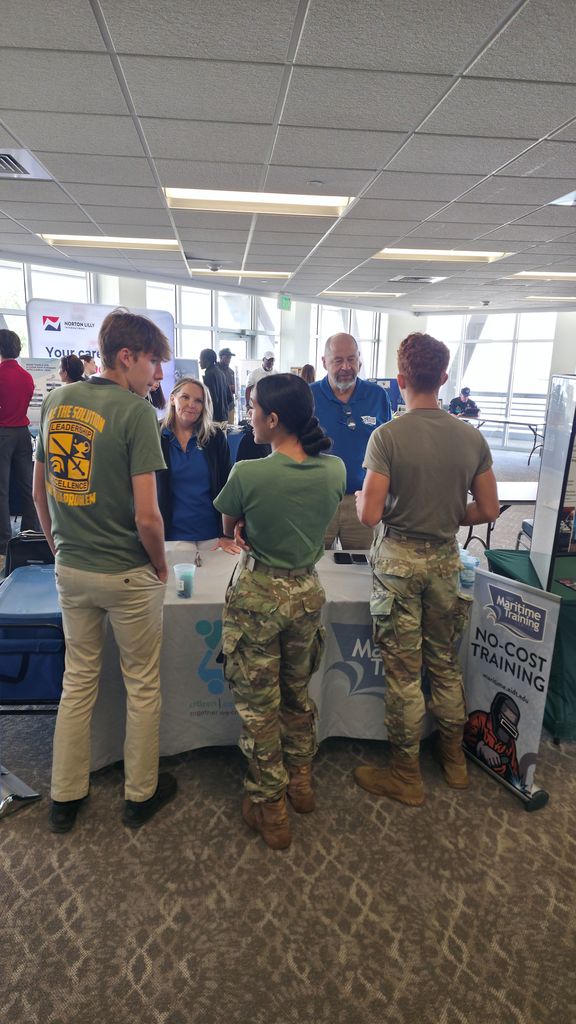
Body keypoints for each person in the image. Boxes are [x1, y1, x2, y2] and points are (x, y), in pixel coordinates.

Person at [33, 309, 177, 833]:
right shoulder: (136, 413)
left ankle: (65, 796)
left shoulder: (55, 400)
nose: (158, 374)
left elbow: (38, 493)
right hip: (127, 573)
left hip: (72, 569)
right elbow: (147, 515)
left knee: (78, 682)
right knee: (141, 685)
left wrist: (60, 550)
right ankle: (140, 795)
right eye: (153, 362)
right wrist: (160, 565)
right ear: (126, 358)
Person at [353, 332, 499, 806]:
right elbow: (490, 508)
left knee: (403, 674)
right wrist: (449, 513)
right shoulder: (470, 436)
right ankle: (455, 764)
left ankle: (406, 775)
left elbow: (370, 515)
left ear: (400, 380)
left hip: (397, 566)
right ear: (443, 378)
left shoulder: (387, 437)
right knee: (443, 665)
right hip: (444, 562)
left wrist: (362, 500)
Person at [214, 373, 346, 850]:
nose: (249, 416)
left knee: (259, 709)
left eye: (253, 408)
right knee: (297, 697)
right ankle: (302, 784)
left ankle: (272, 808)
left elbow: (230, 528)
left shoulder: (249, 473)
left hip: (259, 599)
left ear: (273, 419)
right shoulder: (334, 470)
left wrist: (248, 523)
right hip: (307, 594)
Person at [310, 333, 391, 549]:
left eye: (351, 359)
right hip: (318, 501)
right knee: (314, 566)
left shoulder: (377, 396)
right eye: (338, 360)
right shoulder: (308, 396)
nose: (346, 366)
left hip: (363, 501)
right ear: (324, 362)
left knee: (361, 570)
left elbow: (388, 450)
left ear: (359, 359)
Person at [156, 377, 240, 554]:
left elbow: (227, 486)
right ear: (173, 399)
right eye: (185, 397)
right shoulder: (155, 434)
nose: (191, 404)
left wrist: (226, 534)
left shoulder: (215, 437)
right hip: (170, 536)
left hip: (212, 535)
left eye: (198, 401)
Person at [0, 328, 39, 568]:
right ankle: (30, 533)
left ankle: (4, 540)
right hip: (23, 433)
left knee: (1, 488)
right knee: (27, 486)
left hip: (2, 433)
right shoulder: (27, 377)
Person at [464, 693, 521, 786]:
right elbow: (462, 731)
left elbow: (514, 771)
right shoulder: (480, 719)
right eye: (505, 723)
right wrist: (481, 746)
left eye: (510, 727)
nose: (506, 730)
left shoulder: (510, 744)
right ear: (496, 713)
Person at [200, 348, 231, 423]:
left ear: (206, 360)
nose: (199, 362)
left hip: (214, 418)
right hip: (224, 416)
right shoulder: (221, 373)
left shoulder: (209, 374)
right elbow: (229, 397)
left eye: (200, 359)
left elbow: (211, 398)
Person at [217, 347, 236, 424]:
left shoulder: (231, 371)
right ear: (221, 357)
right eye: (227, 357)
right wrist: (228, 387)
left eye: (230, 357)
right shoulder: (215, 371)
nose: (229, 359)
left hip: (230, 406)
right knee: (220, 431)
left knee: (230, 430)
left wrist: (234, 388)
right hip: (219, 407)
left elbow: (233, 389)